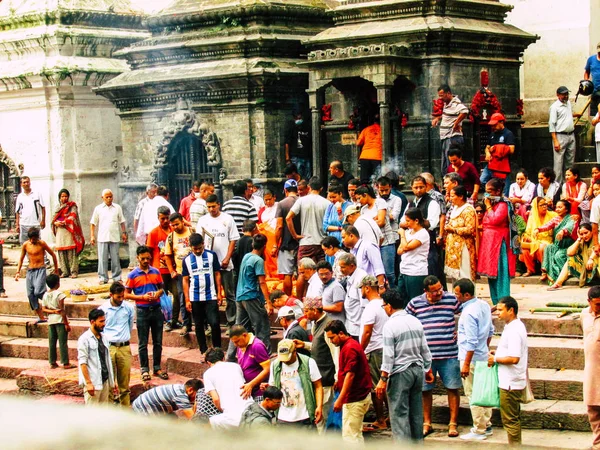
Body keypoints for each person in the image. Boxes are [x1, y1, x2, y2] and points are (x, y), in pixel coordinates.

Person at [406, 275, 462, 438]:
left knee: (452, 387)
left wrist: (462, 332)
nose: (439, 293)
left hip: (449, 353)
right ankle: (427, 422)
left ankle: (453, 423)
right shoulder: (415, 303)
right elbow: (407, 322)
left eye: (440, 289)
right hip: (425, 356)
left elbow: (466, 314)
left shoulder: (451, 299)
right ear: (426, 291)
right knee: (425, 390)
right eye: (435, 291)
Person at [375, 289, 433, 443]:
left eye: (384, 306)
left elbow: (388, 356)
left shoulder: (390, 325)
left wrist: (383, 379)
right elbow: (425, 349)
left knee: (399, 415)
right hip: (417, 370)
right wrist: (428, 369)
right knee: (415, 413)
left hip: (400, 372)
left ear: (389, 306)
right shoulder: (415, 321)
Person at [453, 278, 495, 441]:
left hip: (471, 358)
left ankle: (479, 429)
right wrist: (484, 348)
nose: (455, 297)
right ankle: (487, 424)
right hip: (482, 355)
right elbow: (490, 331)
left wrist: (466, 363)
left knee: (474, 394)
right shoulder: (484, 305)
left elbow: (471, 341)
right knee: (483, 392)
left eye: (457, 294)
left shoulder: (468, 313)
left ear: (466, 294)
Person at [293, 296, 339, 433]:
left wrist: (337, 377)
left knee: (323, 413)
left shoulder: (328, 326)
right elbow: (319, 346)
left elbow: (335, 352)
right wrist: (305, 345)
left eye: (307, 311)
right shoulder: (316, 324)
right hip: (318, 376)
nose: (305, 315)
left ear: (314, 310)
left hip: (326, 377)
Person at [488, 296, 528, 446]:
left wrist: (496, 359)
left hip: (510, 383)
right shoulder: (512, 326)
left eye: (500, 310)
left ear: (511, 310)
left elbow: (514, 358)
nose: (497, 313)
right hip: (510, 380)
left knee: (510, 420)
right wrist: (497, 354)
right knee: (512, 418)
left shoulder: (514, 330)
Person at [125, 245, 168, 381]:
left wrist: (157, 293)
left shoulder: (156, 271)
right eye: (142, 258)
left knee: (158, 342)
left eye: (148, 258)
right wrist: (141, 297)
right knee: (142, 343)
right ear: (138, 258)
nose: (145, 261)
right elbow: (126, 294)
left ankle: (157, 367)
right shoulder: (132, 275)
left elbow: (162, 289)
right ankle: (144, 369)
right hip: (142, 311)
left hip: (156, 309)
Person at [325, 320, 372, 443]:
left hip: (355, 398)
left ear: (340, 333)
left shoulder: (350, 348)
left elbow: (350, 375)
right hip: (356, 397)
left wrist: (340, 399)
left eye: (332, 338)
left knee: (350, 438)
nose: (331, 341)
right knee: (355, 435)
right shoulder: (348, 345)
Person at [197, 194, 239, 329]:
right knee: (211, 294)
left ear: (218, 204)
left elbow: (233, 239)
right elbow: (199, 240)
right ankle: (212, 324)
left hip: (225, 263)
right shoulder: (203, 220)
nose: (211, 209)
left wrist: (227, 257)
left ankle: (231, 322)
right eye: (208, 207)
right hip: (208, 264)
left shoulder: (228, 219)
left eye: (213, 206)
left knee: (229, 294)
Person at [477, 179, 517, 305]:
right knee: (491, 273)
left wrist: (488, 205)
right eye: (486, 192)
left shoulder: (503, 204)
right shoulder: (494, 203)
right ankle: (495, 301)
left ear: (498, 191)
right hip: (489, 241)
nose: (486, 195)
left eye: (489, 192)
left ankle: (503, 300)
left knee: (500, 271)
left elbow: (495, 220)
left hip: (499, 242)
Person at [181, 233, 222, 354]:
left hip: (211, 295)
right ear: (190, 247)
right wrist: (187, 299)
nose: (198, 250)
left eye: (200, 247)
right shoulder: (186, 260)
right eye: (195, 249)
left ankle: (218, 350)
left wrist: (220, 293)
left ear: (203, 244)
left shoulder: (211, 255)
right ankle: (203, 351)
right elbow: (185, 279)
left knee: (214, 323)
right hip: (195, 296)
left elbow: (217, 274)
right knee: (198, 325)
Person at [268, 339, 324, 427]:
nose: (285, 361)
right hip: (283, 418)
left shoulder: (308, 362)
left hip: (305, 417)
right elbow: (272, 386)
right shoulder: (275, 365)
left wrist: (319, 406)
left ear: (294, 351)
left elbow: (318, 386)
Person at [358, 275, 389, 431]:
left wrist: (360, 350)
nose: (361, 292)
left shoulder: (371, 307)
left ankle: (380, 419)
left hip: (375, 350)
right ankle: (390, 416)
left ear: (367, 288)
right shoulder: (384, 304)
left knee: (376, 387)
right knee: (386, 386)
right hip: (385, 348)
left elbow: (367, 332)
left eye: (362, 288)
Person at [236, 234, 274, 353]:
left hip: (240, 295)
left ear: (252, 244)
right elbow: (262, 282)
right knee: (262, 326)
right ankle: (265, 353)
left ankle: (231, 356)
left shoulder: (247, 256)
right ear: (264, 246)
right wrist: (268, 302)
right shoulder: (258, 260)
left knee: (239, 329)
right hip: (251, 296)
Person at [99, 282, 134, 406]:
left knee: (124, 383)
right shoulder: (102, 309)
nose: (121, 299)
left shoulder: (128, 307)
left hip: (124, 346)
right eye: (118, 297)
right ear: (111, 295)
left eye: (122, 296)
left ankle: (125, 410)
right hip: (109, 347)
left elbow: (130, 325)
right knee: (109, 382)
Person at [204, 348, 255, 429]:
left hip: (232, 417)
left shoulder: (207, 374)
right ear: (223, 358)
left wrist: (222, 410)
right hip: (251, 409)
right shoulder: (236, 366)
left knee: (208, 423)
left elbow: (216, 399)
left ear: (208, 363)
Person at [401, 176, 442, 279]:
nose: (418, 190)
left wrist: (411, 224)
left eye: (421, 187)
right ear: (411, 188)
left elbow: (431, 224)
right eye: (416, 187)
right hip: (411, 243)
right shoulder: (410, 204)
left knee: (431, 274)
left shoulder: (432, 203)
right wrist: (410, 224)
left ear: (426, 186)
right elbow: (401, 222)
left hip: (427, 245)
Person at [15, 227, 59, 322]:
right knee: (31, 295)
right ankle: (41, 317)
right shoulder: (26, 245)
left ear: (37, 237)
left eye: (34, 239)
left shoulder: (42, 243)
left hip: (40, 269)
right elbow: (21, 258)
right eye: (31, 239)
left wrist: (56, 269)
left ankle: (51, 303)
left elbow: (53, 255)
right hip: (30, 271)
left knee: (38, 292)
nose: (32, 241)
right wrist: (18, 272)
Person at [356, 185, 396, 285]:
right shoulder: (363, 209)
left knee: (388, 273)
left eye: (359, 198)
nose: (358, 201)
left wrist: (371, 223)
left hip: (386, 242)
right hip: (372, 244)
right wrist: (374, 220)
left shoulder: (380, 202)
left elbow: (381, 222)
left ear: (365, 195)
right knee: (376, 272)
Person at [287, 177, 330, 266]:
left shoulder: (301, 200)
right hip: (322, 243)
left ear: (309, 187)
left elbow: (288, 218)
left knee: (303, 272)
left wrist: (295, 235)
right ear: (321, 189)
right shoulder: (327, 203)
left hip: (306, 242)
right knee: (322, 272)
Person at [77, 308, 116, 404]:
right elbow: (82, 362)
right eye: (101, 321)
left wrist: (112, 381)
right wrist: (88, 383)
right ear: (92, 322)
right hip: (93, 382)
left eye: (104, 320)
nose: (104, 324)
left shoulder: (104, 337)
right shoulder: (84, 339)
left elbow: (107, 360)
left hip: (105, 381)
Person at [90, 189, 127, 284]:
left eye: (111, 196)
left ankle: (117, 277)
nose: (109, 199)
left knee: (115, 258)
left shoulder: (117, 208)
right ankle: (103, 278)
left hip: (114, 236)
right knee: (102, 259)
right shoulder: (98, 209)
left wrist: (124, 233)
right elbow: (93, 223)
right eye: (107, 197)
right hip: (102, 236)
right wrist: (92, 236)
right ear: (102, 198)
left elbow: (122, 221)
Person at [164, 212, 192, 334]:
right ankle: (186, 324)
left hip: (196, 272)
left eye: (177, 224)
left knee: (199, 298)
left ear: (182, 221)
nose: (175, 227)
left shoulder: (192, 231)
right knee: (182, 298)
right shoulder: (170, 237)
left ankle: (204, 324)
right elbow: (168, 256)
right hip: (181, 273)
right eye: (173, 225)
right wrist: (172, 271)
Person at [431, 84, 468, 175]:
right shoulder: (445, 104)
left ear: (448, 93)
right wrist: (437, 118)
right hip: (445, 137)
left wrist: (456, 123)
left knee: (451, 163)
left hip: (452, 137)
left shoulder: (456, 103)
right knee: (444, 164)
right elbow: (445, 114)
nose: (440, 98)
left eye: (442, 95)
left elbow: (465, 111)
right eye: (439, 96)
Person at [548, 223, 597, 290]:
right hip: (587, 268)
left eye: (586, 233)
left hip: (597, 266)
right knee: (570, 259)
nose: (584, 236)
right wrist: (579, 239)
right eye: (582, 234)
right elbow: (569, 253)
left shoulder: (597, 239)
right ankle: (558, 283)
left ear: (591, 232)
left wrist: (591, 259)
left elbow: (597, 250)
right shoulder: (582, 241)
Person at [132, 379, 215, 419]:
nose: (195, 399)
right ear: (190, 390)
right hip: (142, 409)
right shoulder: (181, 396)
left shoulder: (180, 389)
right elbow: (193, 418)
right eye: (196, 396)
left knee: (173, 418)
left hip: (141, 404)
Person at [539, 199, 577, 284]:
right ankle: (545, 271)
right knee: (548, 247)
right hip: (558, 245)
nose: (557, 209)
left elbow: (569, 227)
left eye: (560, 207)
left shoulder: (571, 218)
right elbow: (547, 226)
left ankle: (566, 273)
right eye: (556, 207)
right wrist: (538, 229)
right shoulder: (556, 219)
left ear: (566, 209)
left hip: (567, 246)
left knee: (558, 256)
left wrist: (563, 231)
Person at [444, 185, 478, 280]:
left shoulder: (468, 210)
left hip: (464, 247)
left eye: (452, 196)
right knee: (455, 277)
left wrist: (454, 230)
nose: (450, 199)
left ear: (461, 196)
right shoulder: (454, 208)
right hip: (453, 247)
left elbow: (470, 229)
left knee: (464, 274)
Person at [229, 325, 270, 400]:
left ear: (244, 335)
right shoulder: (240, 346)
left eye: (237, 341)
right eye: (234, 342)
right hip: (248, 391)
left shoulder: (257, 346)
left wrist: (251, 384)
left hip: (259, 392)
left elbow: (267, 369)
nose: (235, 345)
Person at [549, 86, 581, 183]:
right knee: (558, 163)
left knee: (570, 162)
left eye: (567, 94)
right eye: (563, 94)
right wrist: (555, 140)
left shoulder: (568, 104)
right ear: (558, 95)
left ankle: (569, 184)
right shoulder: (554, 107)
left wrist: (576, 114)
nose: (565, 96)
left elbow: (567, 114)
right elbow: (552, 125)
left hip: (571, 135)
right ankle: (557, 186)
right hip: (560, 136)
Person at [398, 208, 430, 302]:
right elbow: (400, 250)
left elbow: (406, 247)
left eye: (408, 221)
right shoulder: (409, 232)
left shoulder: (423, 233)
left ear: (416, 220)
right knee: (401, 299)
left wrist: (402, 235)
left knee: (415, 300)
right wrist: (405, 242)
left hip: (416, 272)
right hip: (404, 270)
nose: (406, 223)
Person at [274, 179, 300, 296]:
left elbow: (279, 226)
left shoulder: (282, 204)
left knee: (287, 274)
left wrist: (276, 244)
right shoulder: (302, 202)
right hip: (302, 242)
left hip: (286, 243)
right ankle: (301, 298)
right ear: (297, 190)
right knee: (302, 273)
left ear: (285, 190)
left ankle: (288, 299)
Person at [520, 197, 557, 277]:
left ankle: (545, 270)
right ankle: (530, 270)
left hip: (547, 241)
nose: (544, 206)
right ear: (536, 207)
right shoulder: (532, 217)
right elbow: (527, 232)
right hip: (534, 241)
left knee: (541, 247)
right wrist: (527, 237)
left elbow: (561, 219)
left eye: (545, 204)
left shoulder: (553, 215)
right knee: (525, 250)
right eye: (541, 205)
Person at [41, 274, 72, 369]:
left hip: (51, 320)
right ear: (57, 283)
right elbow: (62, 310)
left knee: (52, 342)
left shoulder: (45, 294)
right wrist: (66, 323)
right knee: (63, 342)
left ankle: (52, 362)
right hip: (60, 320)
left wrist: (52, 311)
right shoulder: (60, 295)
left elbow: (43, 309)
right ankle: (65, 362)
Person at [582, 285, 600, 449]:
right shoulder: (584, 315)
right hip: (591, 370)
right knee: (592, 407)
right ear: (589, 302)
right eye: (597, 304)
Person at [51, 189, 84, 278]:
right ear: (59, 197)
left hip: (69, 231)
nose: (64, 198)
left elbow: (73, 216)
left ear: (68, 197)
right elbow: (53, 219)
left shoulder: (72, 206)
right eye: (62, 196)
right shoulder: (57, 207)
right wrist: (55, 223)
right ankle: (65, 271)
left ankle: (74, 271)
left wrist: (64, 222)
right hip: (60, 232)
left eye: (66, 196)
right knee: (61, 252)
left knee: (71, 252)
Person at [146, 206, 173, 308]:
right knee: (162, 294)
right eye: (163, 218)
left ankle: (174, 319)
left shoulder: (173, 230)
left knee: (177, 294)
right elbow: (149, 253)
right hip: (159, 269)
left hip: (173, 269)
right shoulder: (153, 233)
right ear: (158, 218)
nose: (166, 221)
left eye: (167, 218)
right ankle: (165, 318)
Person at [338, 253, 369, 340]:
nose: (340, 270)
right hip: (350, 325)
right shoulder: (350, 276)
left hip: (358, 328)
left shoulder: (361, 277)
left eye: (343, 267)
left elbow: (364, 305)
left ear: (352, 266)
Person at [481, 113, 515, 194]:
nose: (493, 127)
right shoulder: (492, 134)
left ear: (501, 122)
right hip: (491, 163)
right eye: (492, 125)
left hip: (502, 165)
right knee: (482, 180)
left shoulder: (508, 134)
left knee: (505, 189)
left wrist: (496, 148)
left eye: (495, 125)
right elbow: (487, 147)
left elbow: (511, 149)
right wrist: (487, 153)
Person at [15, 176, 46, 244]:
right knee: (24, 244)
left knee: (37, 244)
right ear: (21, 184)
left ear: (30, 183)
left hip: (35, 224)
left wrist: (43, 220)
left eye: (27, 182)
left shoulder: (37, 194)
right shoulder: (20, 197)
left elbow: (43, 207)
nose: (26, 184)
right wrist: (17, 225)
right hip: (24, 224)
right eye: (24, 182)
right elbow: (17, 212)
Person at [256, 188, 279, 279]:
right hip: (266, 240)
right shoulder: (262, 210)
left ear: (274, 198)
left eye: (270, 199)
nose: (268, 202)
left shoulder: (279, 207)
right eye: (266, 200)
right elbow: (259, 223)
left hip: (276, 238)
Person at [285, 111, 312, 180]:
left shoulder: (307, 127)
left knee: (307, 176)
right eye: (297, 118)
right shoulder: (292, 128)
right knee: (298, 176)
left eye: (300, 117)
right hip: (296, 156)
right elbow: (287, 143)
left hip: (306, 155)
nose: (299, 119)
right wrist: (287, 157)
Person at [356, 116, 382, 182]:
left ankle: (364, 190)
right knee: (377, 178)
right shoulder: (383, 130)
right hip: (377, 156)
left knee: (364, 178)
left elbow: (358, 143)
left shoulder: (366, 129)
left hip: (365, 156)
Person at [585, 42, 600, 117]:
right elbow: (586, 72)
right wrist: (586, 82)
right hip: (595, 92)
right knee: (596, 115)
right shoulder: (591, 59)